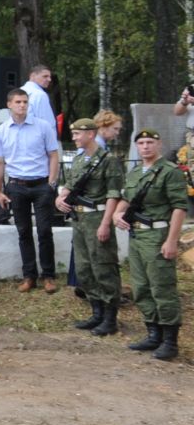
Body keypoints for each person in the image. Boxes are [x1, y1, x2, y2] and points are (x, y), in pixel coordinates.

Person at [111, 129, 189, 361]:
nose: (145, 146)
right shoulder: (135, 172)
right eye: (141, 143)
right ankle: (153, 334)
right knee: (141, 286)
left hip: (158, 236)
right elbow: (127, 197)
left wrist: (172, 240)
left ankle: (169, 341)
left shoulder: (170, 172)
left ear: (159, 144)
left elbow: (179, 207)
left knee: (161, 288)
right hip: (137, 236)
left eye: (150, 142)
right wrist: (117, 213)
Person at [55, 117, 124, 335]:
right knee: (84, 268)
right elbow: (69, 185)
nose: (73, 138)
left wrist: (106, 223)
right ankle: (97, 313)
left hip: (98, 217)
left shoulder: (108, 161)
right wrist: (60, 198)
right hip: (79, 220)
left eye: (77, 134)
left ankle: (110, 318)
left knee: (103, 267)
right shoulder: (78, 160)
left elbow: (113, 195)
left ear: (91, 134)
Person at [0, 88, 61, 293]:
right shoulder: (2, 131)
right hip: (16, 185)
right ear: (9, 104)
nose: (22, 105)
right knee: (23, 232)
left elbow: (53, 155)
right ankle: (29, 276)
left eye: (25, 102)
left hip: (41, 185)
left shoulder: (43, 126)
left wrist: (52, 183)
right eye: (18, 102)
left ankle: (49, 276)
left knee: (45, 231)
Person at [21, 65, 59, 146]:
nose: (49, 79)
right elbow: (47, 123)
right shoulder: (40, 95)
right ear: (32, 76)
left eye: (49, 77)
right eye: (45, 76)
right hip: (38, 143)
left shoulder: (18, 92)